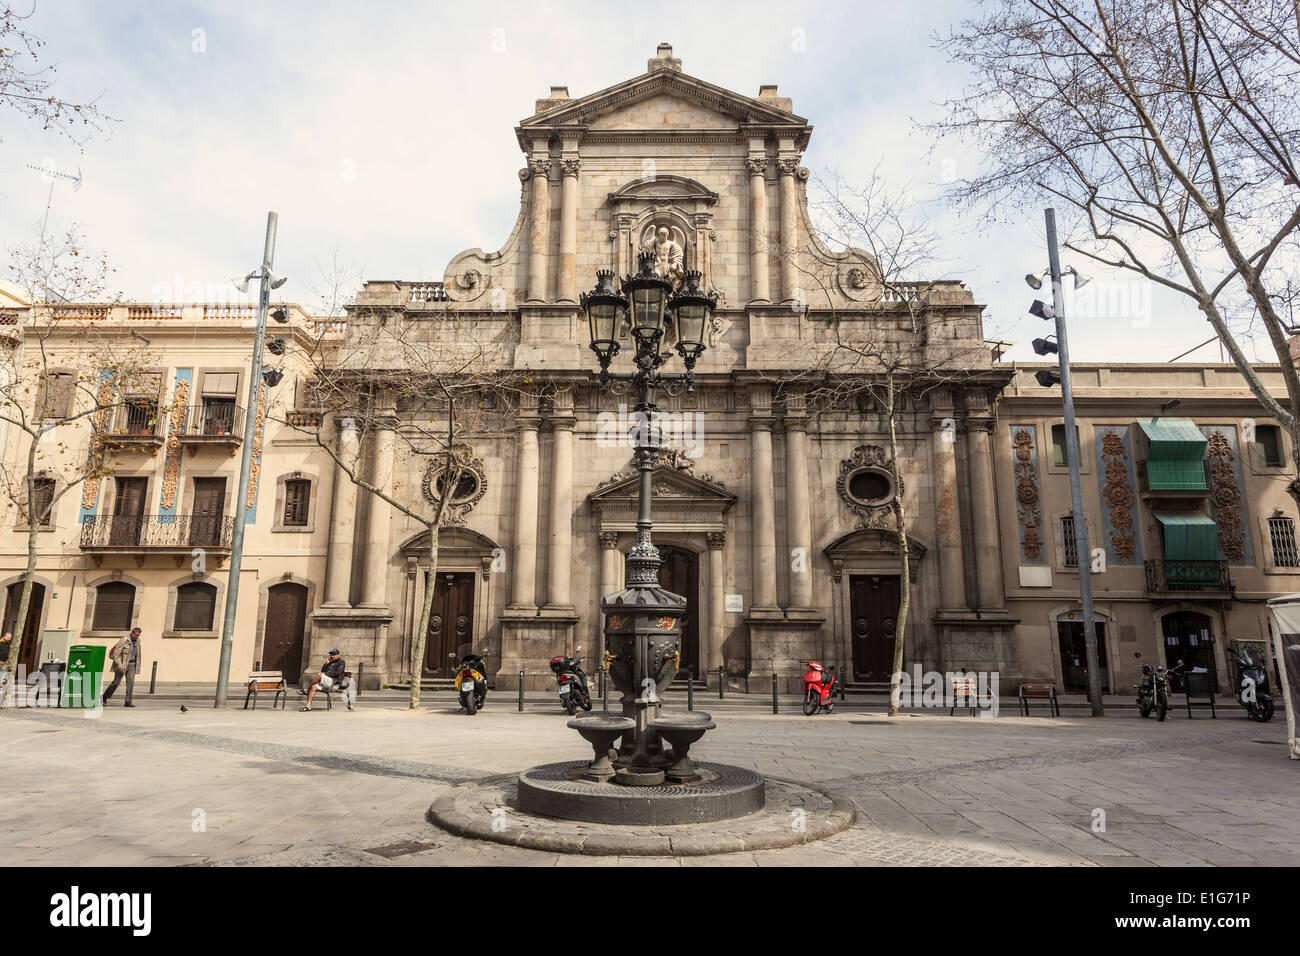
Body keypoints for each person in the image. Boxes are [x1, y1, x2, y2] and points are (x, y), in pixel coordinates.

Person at [102, 627, 142, 707]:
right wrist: (119, 665)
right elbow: (116, 654)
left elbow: (138, 654)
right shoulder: (124, 640)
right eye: (136, 635)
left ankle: (128, 701)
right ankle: (104, 696)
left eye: (138, 635)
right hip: (122, 664)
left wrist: (137, 665)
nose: (137, 637)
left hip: (132, 665)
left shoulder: (138, 642)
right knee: (116, 682)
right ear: (132, 633)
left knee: (130, 683)